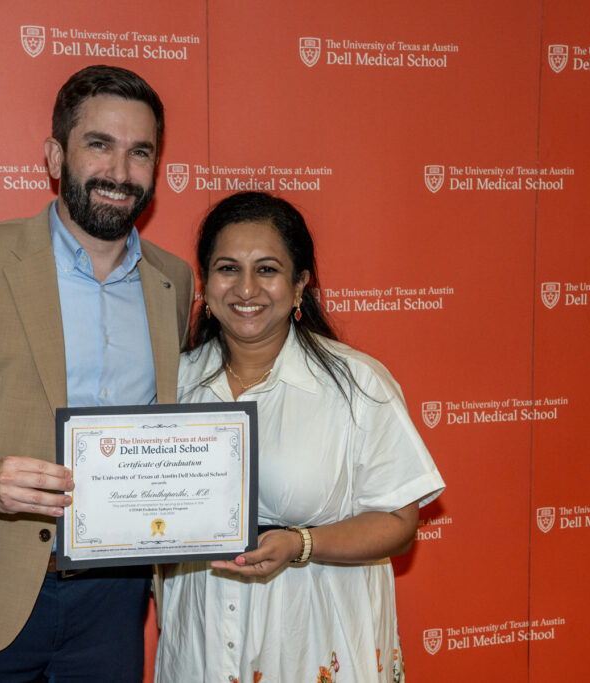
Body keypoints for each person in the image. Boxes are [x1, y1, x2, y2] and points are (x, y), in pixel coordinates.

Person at [0, 65, 194, 682]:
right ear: (55, 156)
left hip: (114, 600)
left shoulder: (173, 281)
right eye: (99, 145)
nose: (120, 172)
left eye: (140, 152)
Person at [154, 191, 444, 683]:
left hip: (312, 636)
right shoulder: (172, 384)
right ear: (205, 281)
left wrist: (300, 544)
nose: (246, 288)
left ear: (299, 285)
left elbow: (400, 522)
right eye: (228, 269)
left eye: (267, 269)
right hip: (201, 634)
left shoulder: (357, 385)